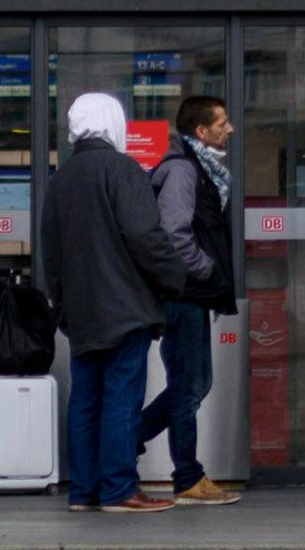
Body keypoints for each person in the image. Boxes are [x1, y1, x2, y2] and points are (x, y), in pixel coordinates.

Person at [40, 90, 201, 515]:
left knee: (85, 400)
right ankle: (119, 489)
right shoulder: (123, 169)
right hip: (125, 307)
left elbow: (50, 252)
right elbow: (146, 237)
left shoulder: (61, 180)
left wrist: (62, 307)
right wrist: (176, 279)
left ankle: (83, 492)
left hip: (82, 311)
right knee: (121, 399)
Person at [139, 95, 244, 504]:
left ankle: (127, 442)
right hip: (184, 293)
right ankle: (187, 477)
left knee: (193, 383)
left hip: (191, 294)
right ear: (201, 131)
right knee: (189, 385)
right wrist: (207, 270)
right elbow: (175, 234)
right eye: (222, 123)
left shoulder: (199, 168)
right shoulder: (184, 170)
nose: (230, 129)